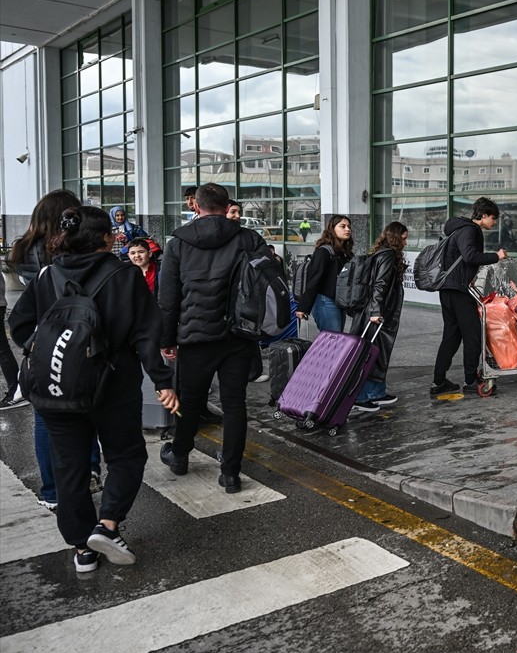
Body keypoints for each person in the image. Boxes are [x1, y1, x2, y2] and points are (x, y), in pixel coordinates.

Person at [9, 205, 178, 573]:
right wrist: (163, 383)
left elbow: (18, 324)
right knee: (126, 456)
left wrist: (49, 350)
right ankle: (108, 525)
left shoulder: (47, 275)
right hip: (113, 387)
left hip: (56, 388)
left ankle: (81, 549)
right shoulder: (125, 276)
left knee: (68, 467)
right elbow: (147, 335)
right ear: (105, 237)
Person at [158, 183, 271, 494]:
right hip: (238, 335)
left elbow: (167, 298)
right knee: (234, 403)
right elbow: (269, 282)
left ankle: (180, 456)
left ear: (197, 206)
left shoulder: (178, 242)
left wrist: (166, 338)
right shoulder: (249, 238)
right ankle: (231, 473)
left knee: (191, 401)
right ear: (227, 206)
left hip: (196, 336)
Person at [6, 189, 102, 503]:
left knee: (45, 419)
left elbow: (20, 319)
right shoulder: (67, 252)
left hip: (42, 344)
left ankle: (51, 491)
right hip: (77, 339)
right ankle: (88, 470)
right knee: (84, 408)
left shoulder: (22, 251)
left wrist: (32, 344)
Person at [430, 197, 508, 395]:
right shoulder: (470, 230)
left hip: (449, 289)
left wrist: (468, 276)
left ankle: (439, 381)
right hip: (457, 291)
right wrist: (496, 256)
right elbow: (470, 256)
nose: (495, 222)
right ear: (483, 216)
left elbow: (461, 259)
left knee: (452, 336)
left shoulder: (459, 228)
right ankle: (471, 380)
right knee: (473, 334)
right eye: (493, 217)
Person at [348, 222, 408, 411]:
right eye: (404, 238)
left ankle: (376, 392)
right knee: (372, 355)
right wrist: (375, 312)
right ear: (397, 237)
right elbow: (379, 286)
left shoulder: (380, 253)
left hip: (375, 311)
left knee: (376, 354)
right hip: (377, 313)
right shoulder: (388, 256)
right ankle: (361, 395)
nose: (406, 243)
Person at [296, 216, 354, 333]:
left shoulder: (344, 253)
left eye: (349, 227)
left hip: (339, 300)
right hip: (324, 300)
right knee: (333, 339)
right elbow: (314, 280)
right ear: (332, 229)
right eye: (342, 226)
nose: (347, 229)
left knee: (335, 339)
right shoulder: (324, 252)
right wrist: (303, 307)